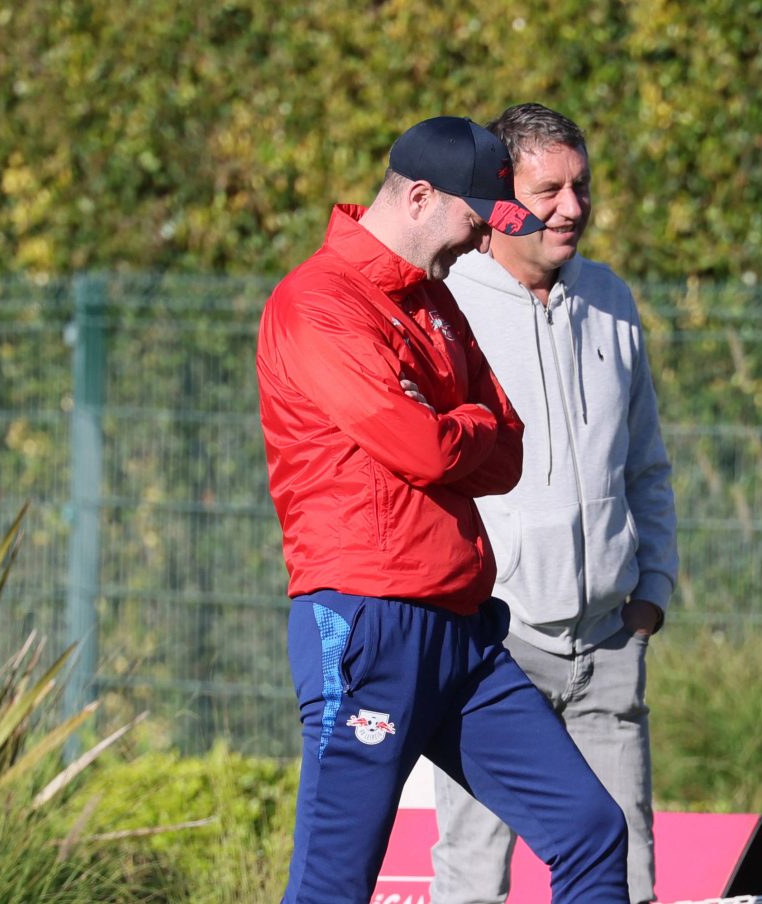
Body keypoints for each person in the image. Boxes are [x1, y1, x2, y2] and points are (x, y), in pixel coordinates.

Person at [256, 115, 627, 904]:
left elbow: (510, 444)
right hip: (367, 623)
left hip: (461, 627)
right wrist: (459, 428)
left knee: (592, 828)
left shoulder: (433, 300)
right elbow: (422, 448)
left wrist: (449, 423)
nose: (480, 241)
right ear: (420, 197)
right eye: (474, 221)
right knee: (333, 885)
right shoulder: (317, 302)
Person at [430, 103, 677, 904]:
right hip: (491, 644)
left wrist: (652, 596)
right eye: (550, 190)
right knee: (474, 874)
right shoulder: (445, 305)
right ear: (501, 198)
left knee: (628, 868)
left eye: (582, 187)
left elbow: (646, 465)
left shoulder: (612, 297)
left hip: (609, 642)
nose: (572, 207)